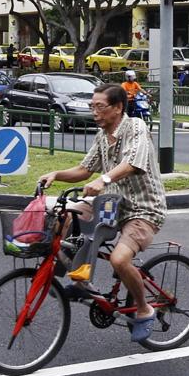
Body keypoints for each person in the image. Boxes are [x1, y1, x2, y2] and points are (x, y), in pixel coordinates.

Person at [38, 84, 166, 342]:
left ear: (118, 108)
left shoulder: (135, 128)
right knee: (62, 217)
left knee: (119, 260)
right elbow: (85, 170)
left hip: (143, 208)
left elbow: (132, 163)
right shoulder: (101, 135)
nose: (94, 112)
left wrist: (104, 179)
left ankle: (144, 309)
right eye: (91, 106)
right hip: (111, 205)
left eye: (100, 106)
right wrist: (56, 175)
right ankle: (80, 282)